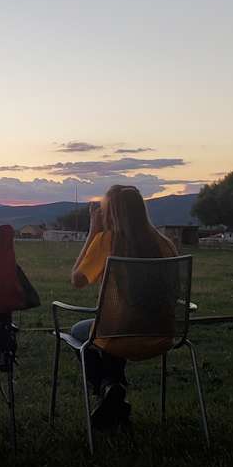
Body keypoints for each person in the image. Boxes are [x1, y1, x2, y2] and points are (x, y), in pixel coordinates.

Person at [68, 184, 178, 430]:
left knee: (80, 332)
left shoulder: (108, 241)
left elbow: (77, 280)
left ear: (110, 214)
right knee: (111, 332)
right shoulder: (164, 244)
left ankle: (108, 387)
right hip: (162, 333)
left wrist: (93, 231)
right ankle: (113, 393)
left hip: (117, 334)